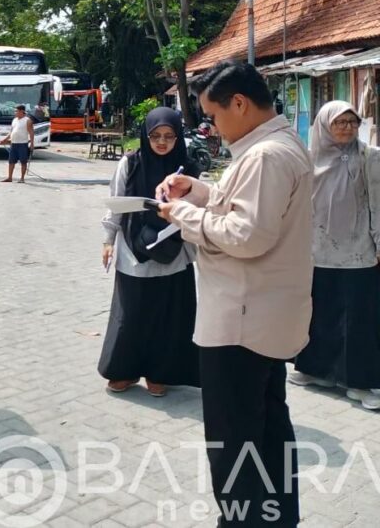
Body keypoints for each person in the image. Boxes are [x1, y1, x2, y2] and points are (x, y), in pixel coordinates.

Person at [157, 61, 312, 527]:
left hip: (240, 323)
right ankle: (277, 518)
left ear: (240, 104)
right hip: (265, 316)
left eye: (215, 116)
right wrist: (201, 191)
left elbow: (247, 235)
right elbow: (246, 206)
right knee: (267, 431)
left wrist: (183, 213)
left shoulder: (265, 155)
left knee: (235, 443)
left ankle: (244, 521)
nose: (213, 128)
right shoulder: (280, 146)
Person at [99, 107, 200, 397]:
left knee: (167, 316)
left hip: (174, 251)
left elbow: (200, 209)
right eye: (155, 136)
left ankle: (159, 374)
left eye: (169, 136)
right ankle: (124, 371)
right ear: (145, 135)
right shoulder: (130, 163)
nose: (162, 142)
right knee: (131, 314)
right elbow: (115, 202)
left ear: (178, 137)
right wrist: (108, 240)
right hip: (133, 250)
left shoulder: (188, 168)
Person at [290, 101, 380, 410]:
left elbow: (378, 204)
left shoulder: (370, 158)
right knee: (319, 313)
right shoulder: (309, 160)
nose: (346, 128)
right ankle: (316, 371)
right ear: (325, 126)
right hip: (318, 251)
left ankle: (359, 382)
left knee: (359, 319)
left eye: (352, 122)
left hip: (359, 252)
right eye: (339, 122)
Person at [0, 104, 34, 183]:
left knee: (23, 161)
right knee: (11, 161)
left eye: (16, 111)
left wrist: (32, 143)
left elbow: (31, 133)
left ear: (22, 111)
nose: (15, 112)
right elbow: (11, 132)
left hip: (23, 144)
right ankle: (9, 178)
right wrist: (4, 140)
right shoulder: (14, 120)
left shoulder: (27, 120)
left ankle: (22, 178)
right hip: (13, 143)